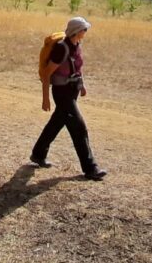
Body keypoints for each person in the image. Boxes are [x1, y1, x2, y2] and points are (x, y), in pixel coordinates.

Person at [30, 16, 107, 181]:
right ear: (76, 31)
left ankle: (38, 154)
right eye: (84, 29)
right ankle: (90, 168)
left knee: (57, 122)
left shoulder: (76, 45)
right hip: (61, 92)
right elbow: (47, 74)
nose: (86, 32)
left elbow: (77, 68)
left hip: (72, 91)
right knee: (79, 128)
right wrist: (45, 98)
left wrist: (83, 86)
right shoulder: (61, 48)